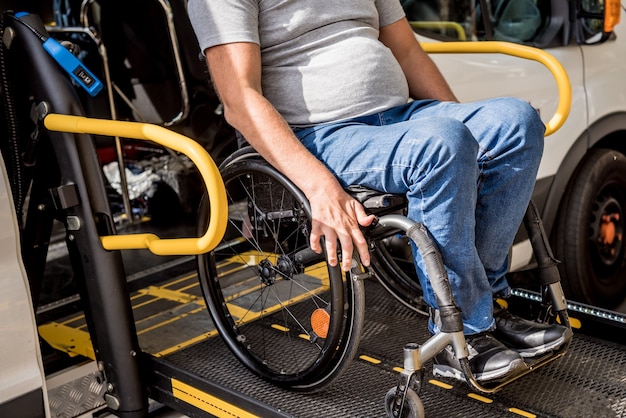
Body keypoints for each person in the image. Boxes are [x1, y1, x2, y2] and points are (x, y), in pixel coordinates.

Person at [188, 0, 572, 384]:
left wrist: (465, 143)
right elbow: (239, 101)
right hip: (319, 134)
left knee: (516, 123)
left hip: (400, 116)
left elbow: (406, 50)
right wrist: (319, 186)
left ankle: (485, 305)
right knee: (442, 144)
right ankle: (464, 332)